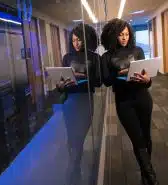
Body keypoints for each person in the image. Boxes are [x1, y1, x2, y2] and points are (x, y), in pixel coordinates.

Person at [100, 18, 159, 185]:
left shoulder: (138, 50)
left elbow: (147, 80)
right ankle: (151, 176)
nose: (124, 38)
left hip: (143, 99)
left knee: (146, 137)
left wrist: (147, 80)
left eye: (126, 34)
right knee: (137, 139)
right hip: (124, 102)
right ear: (113, 36)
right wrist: (121, 74)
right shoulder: (107, 57)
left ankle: (144, 174)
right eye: (120, 35)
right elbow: (106, 81)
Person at [56, 23, 101, 185]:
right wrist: (60, 86)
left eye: (79, 40)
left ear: (86, 40)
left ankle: (74, 166)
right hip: (70, 101)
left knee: (79, 136)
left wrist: (82, 77)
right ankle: (74, 168)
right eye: (74, 40)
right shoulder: (67, 57)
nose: (76, 43)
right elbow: (61, 81)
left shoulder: (94, 57)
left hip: (85, 100)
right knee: (72, 136)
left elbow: (98, 82)